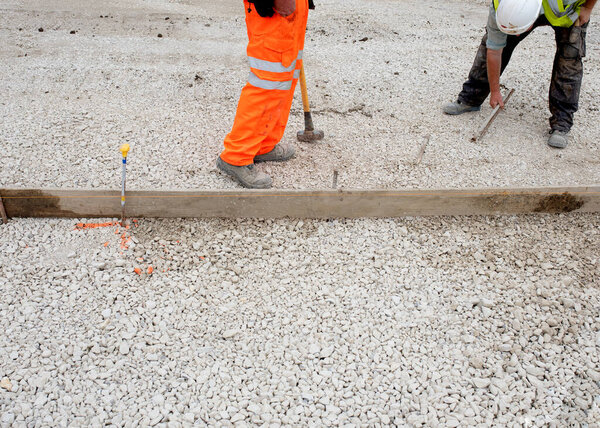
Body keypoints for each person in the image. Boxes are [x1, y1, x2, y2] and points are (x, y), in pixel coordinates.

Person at [443, 0, 596, 149]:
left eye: (519, 31)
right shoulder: (500, 6)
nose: (517, 36)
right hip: (526, 11)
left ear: (533, 20)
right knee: (494, 41)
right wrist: (495, 91)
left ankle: (561, 123)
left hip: (567, 11)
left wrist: (588, 8)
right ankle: (471, 97)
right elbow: (494, 51)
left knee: (569, 59)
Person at [217, 0, 314, 188]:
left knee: (283, 80)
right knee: (267, 83)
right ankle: (236, 156)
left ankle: (263, 144)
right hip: (274, 8)